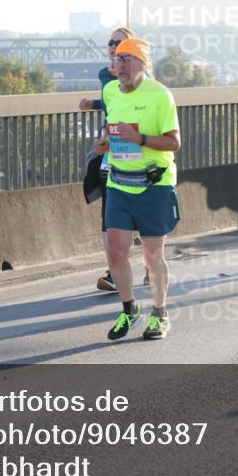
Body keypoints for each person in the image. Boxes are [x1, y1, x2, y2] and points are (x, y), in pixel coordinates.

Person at [95, 38, 181, 341]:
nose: (121, 65)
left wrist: (140, 139)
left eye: (128, 59)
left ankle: (160, 313)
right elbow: (114, 128)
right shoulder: (109, 92)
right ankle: (130, 310)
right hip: (118, 181)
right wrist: (105, 143)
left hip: (154, 184)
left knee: (151, 256)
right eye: (118, 59)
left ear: (143, 64)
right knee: (115, 253)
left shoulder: (160, 95)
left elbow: (173, 142)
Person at [78, 27, 150, 291]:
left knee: (140, 208)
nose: (112, 46)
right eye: (110, 43)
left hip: (139, 147)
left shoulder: (145, 77)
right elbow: (112, 106)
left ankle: (151, 267)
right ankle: (113, 272)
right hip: (113, 148)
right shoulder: (103, 75)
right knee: (111, 206)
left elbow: (135, 101)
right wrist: (94, 104)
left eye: (119, 43)